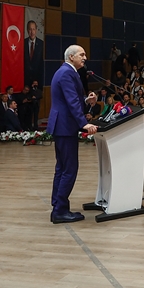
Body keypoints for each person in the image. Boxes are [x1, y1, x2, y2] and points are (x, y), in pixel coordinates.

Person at [46, 46, 100, 224]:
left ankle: (58, 206)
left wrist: (86, 101)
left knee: (62, 168)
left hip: (61, 125)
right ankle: (60, 210)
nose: (85, 57)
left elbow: (70, 99)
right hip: (65, 126)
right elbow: (71, 102)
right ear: (71, 56)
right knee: (69, 169)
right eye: (82, 55)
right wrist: (84, 123)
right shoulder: (67, 73)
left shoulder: (64, 72)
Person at [24, 20, 44, 89]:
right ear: (27, 30)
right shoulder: (22, 43)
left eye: (33, 29)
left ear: (36, 30)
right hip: (25, 81)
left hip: (37, 81)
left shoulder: (42, 44)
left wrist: (37, 79)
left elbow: (42, 65)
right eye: (30, 29)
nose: (32, 32)